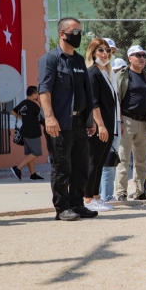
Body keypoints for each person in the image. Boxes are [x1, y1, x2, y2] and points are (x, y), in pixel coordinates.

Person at [38, 17, 97, 221]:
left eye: (80, 32)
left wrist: (91, 120)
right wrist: (49, 118)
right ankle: (62, 208)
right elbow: (44, 90)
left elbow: (84, 92)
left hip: (80, 122)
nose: (78, 36)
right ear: (62, 34)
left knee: (81, 167)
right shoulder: (51, 59)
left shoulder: (79, 60)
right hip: (60, 123)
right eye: (74, 32)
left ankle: (77, 204)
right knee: (62, 167)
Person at [83, 38, 119, 212]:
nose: (105, 53)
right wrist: (101, 125)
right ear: (93, 52)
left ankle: (96, 196)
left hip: (109, 125)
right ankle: (88, 198)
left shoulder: (106, 73)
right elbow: (94, 102)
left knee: (100, 161)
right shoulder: (92, 73)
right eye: (100, 50)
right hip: (99, 126)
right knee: (93, 161)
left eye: (107, 50)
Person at [115, 45, 146, 201]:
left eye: (143, 55)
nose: (142, 58)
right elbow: (116, 100)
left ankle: (140, 191)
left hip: (143, 123)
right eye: (138, 55)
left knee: (141, 161)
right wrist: (120, 121)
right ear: (130, 58)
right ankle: (121, 193)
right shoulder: (122, 75)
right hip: (127, 121)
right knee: (123, 159)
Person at [99, 56, 128, 202]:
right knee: (102, 161)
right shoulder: (97, 73)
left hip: (115, 121)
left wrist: (120, 121)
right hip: (103, 122)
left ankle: (105, 195)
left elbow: (117, 103)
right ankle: (101, 196)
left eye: (110, 51)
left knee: (110, 160)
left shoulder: (112, 75)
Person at [10, 86, 45, 181]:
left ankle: (33, 174)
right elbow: (42, 115)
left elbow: (13, 112)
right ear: (34, 94)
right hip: (33, 131)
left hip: (24, 131)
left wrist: (23, 117)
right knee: (36, 152)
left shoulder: (22, 103)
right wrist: (41, 103)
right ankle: (18, 168)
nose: (38, 95)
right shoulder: (33, 105)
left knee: (30, 153)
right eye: (37, 94)